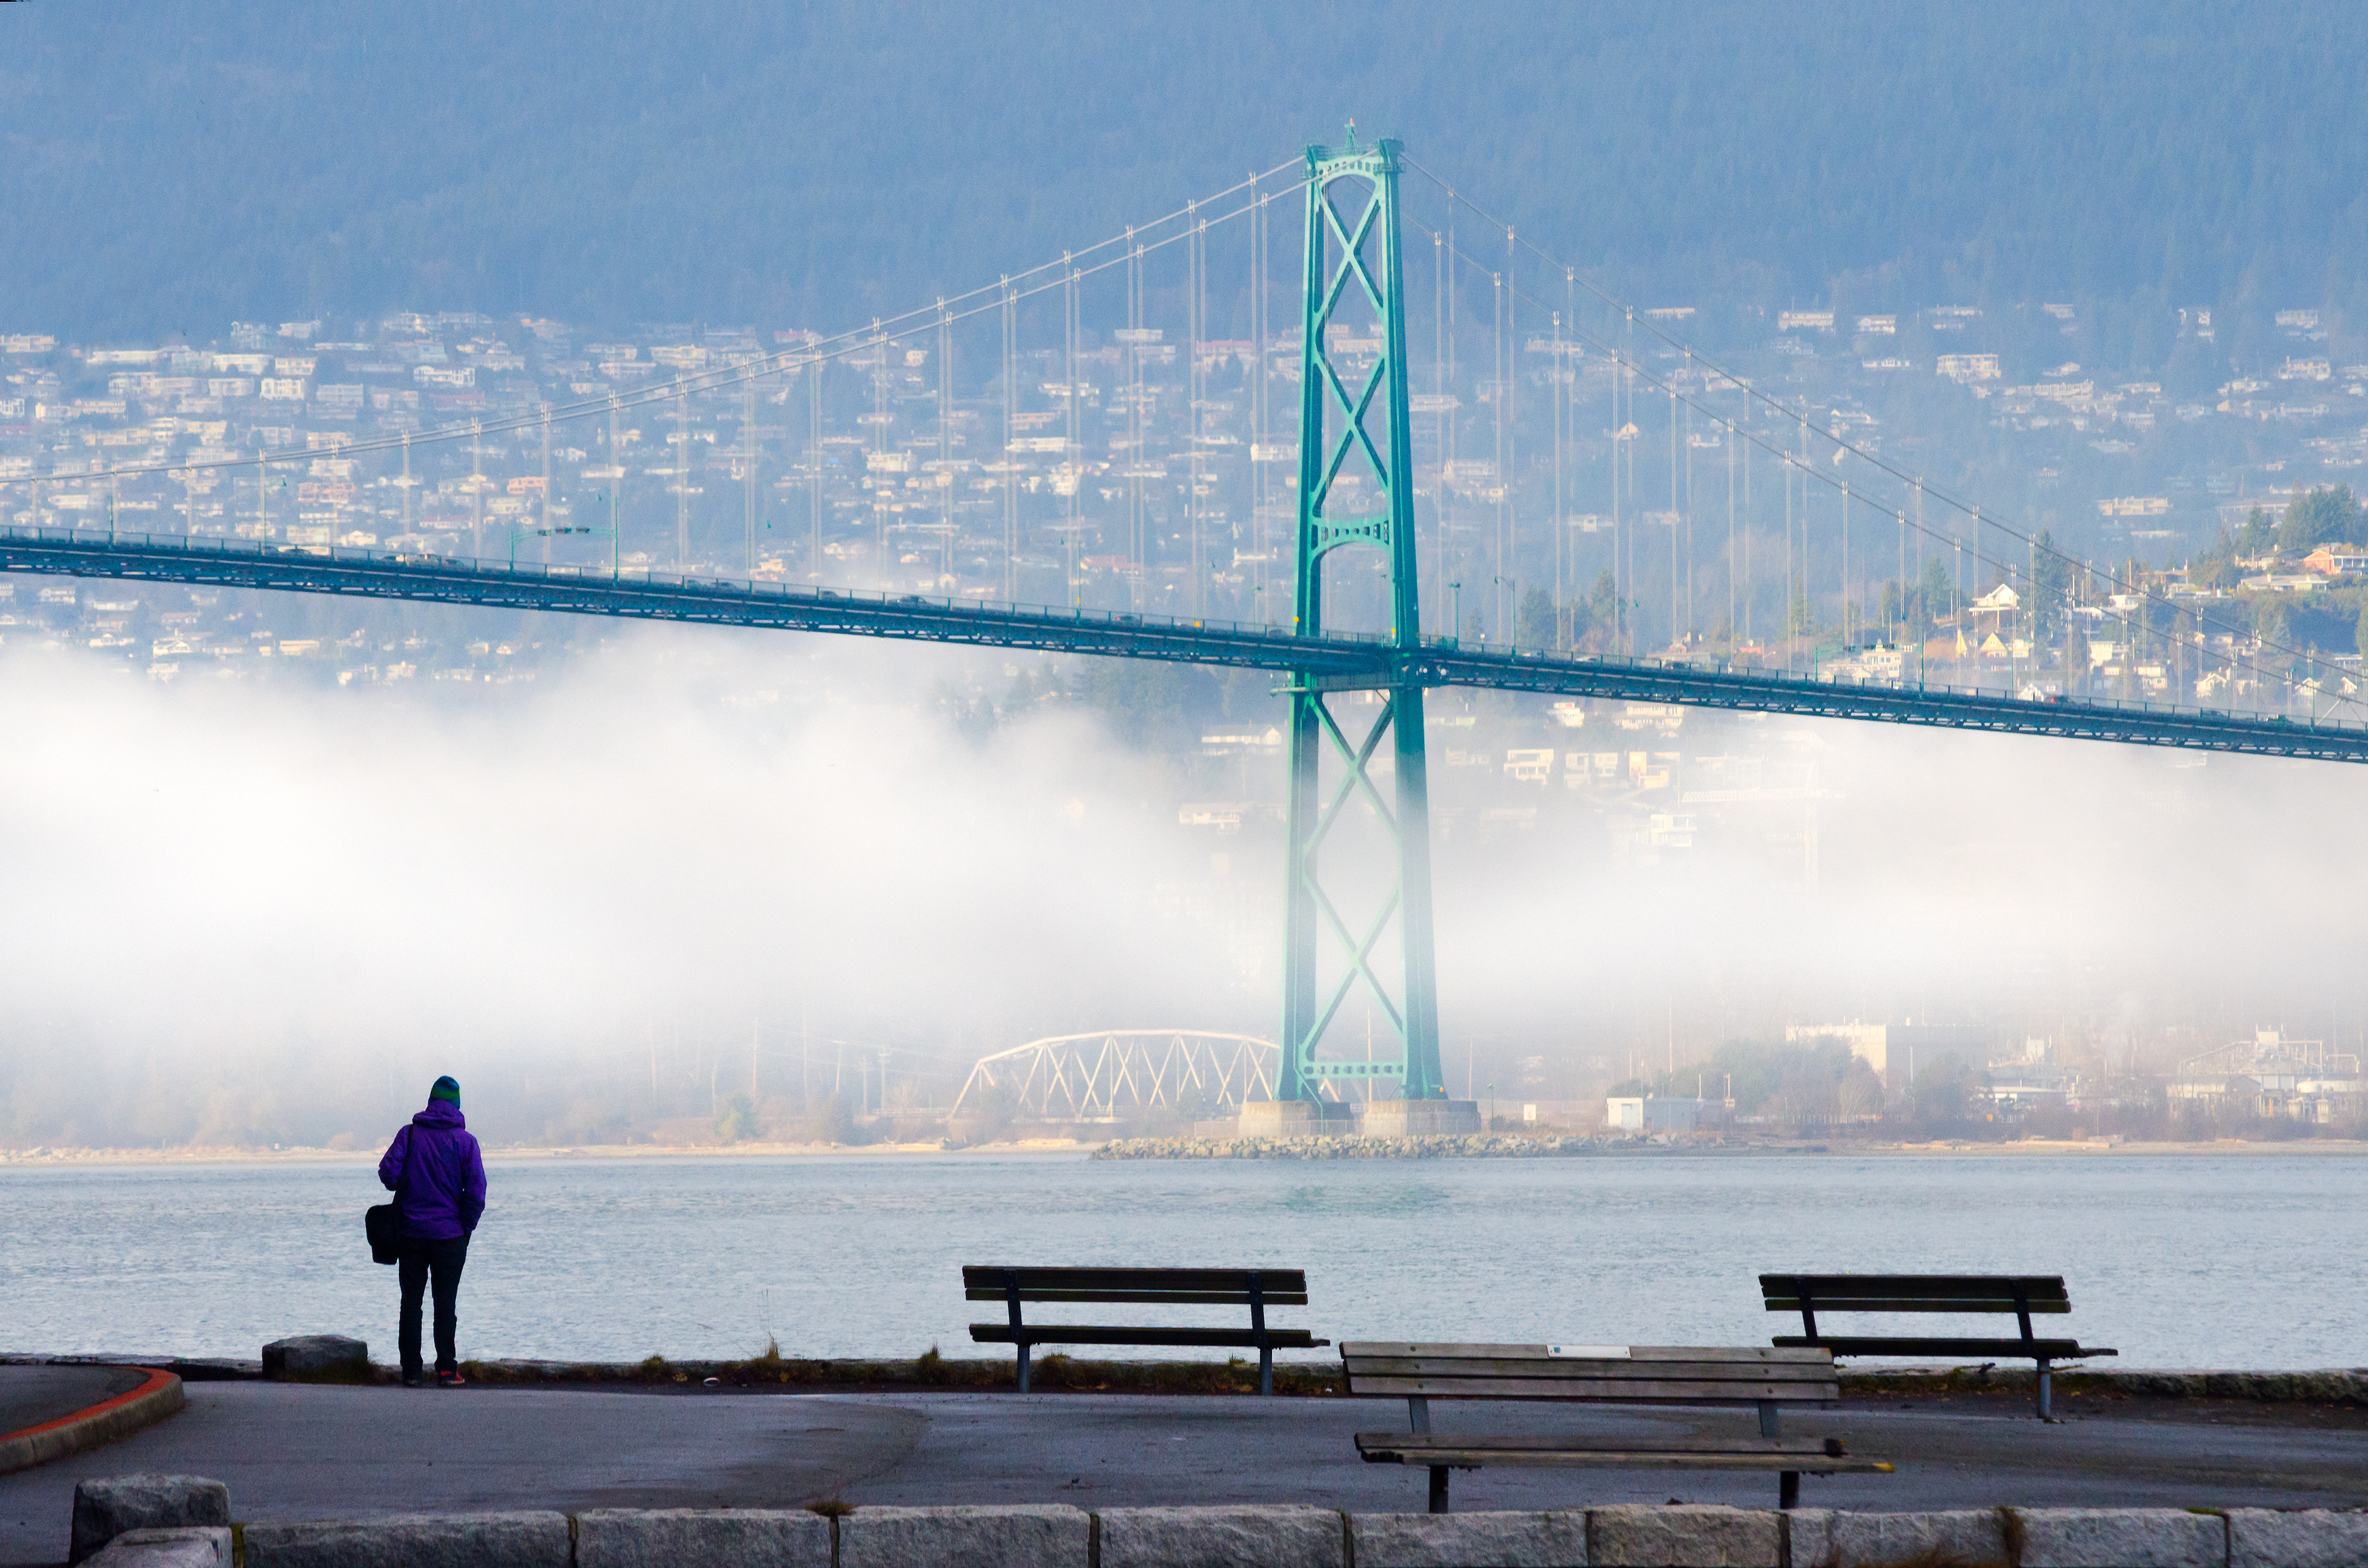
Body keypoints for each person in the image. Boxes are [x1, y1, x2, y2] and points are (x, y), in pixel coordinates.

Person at [377, 1076, 487, 1388]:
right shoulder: (466, 1142)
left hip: (411, 1233)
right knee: (445, 1304)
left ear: (430, 1103)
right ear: (456, 1106)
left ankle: (411, 1372)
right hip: (450, 1236)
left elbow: (388, 1173)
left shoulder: (409, 1135)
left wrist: (410, 1183)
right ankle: (447, 1371)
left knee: (411, 1302)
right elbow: (477, 1192)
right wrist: (465, 1227)